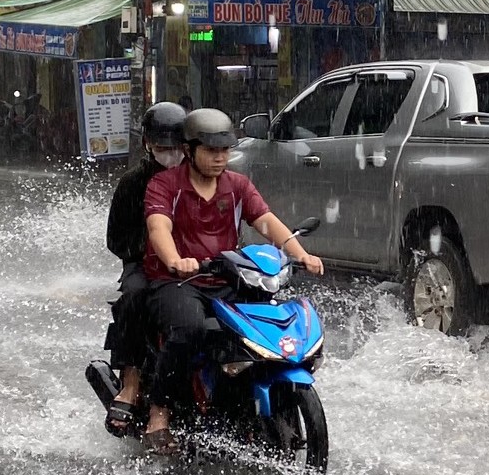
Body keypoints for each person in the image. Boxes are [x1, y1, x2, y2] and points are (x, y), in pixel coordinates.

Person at [139, 108, 323, 455]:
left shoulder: (237, 186)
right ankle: (159, 411)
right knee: (190, 328)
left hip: (227, 278)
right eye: (211, 150)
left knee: (262, 330)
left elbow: (267, 222)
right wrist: (175, 260)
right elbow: (158, 227)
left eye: (224, 150)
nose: (219, 158)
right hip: (177, 282)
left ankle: (245, 402)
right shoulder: (164, 185)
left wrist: (301, 254)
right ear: (189, 150)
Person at [101, 102, 188, 436]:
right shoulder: (132, 183)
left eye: (177, 148)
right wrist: (152, 252)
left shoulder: (197, 177)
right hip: (144, 265)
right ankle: (132, 382)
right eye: (163, 149)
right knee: (135, 296)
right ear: (148, 145)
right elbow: (116, 239)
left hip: (194, 264)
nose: (171, 155)